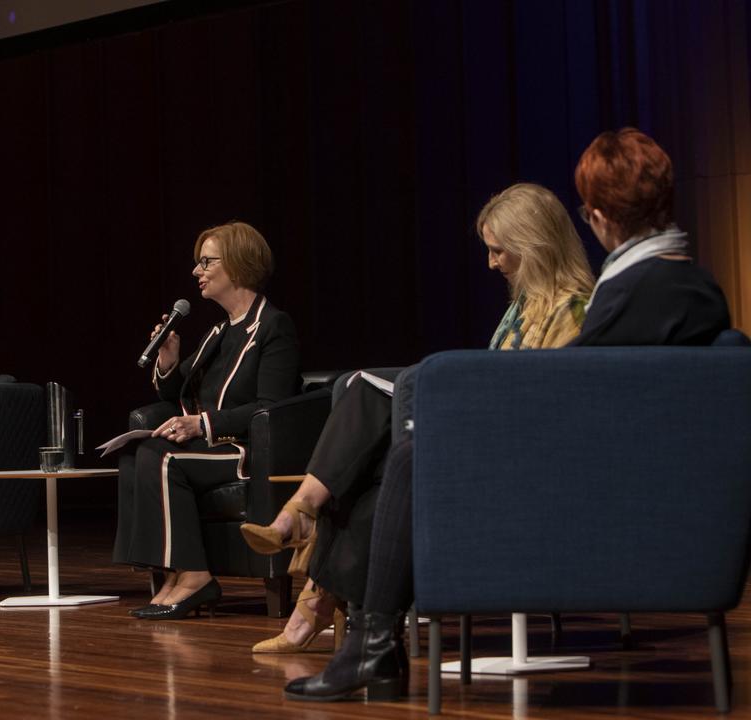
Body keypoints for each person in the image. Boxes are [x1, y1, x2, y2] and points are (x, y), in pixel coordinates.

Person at [284, 129, 730, 702]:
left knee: (412, 454)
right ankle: (373, 645)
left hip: (587, 490)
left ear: (596, 216)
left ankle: (373, 647)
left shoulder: (644, 290)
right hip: (600, 472)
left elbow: (573, 389)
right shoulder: (678, 285)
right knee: (399, 460)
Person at [243, 183, 595, 655]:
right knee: (373, 452)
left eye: (498, 251)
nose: (491, 263)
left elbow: (549, 406)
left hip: (517, 461)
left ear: (534, 243)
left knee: (372, 388)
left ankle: (308, 546)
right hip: (482, 439)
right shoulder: (522, 307)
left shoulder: (575, 308)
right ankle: (327, 595)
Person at [113, 221, 301, 620]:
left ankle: (196, 577)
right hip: (209, 443)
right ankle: (172, 573)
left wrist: (203, 425)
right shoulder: (217, 331)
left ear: (236, 264)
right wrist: (168, 359)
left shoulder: (272, 327)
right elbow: (176, 393)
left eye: (206, 262)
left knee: (163, 458)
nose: (197, 271)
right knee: (135, 455)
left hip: (244, 447)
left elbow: (274, 406)